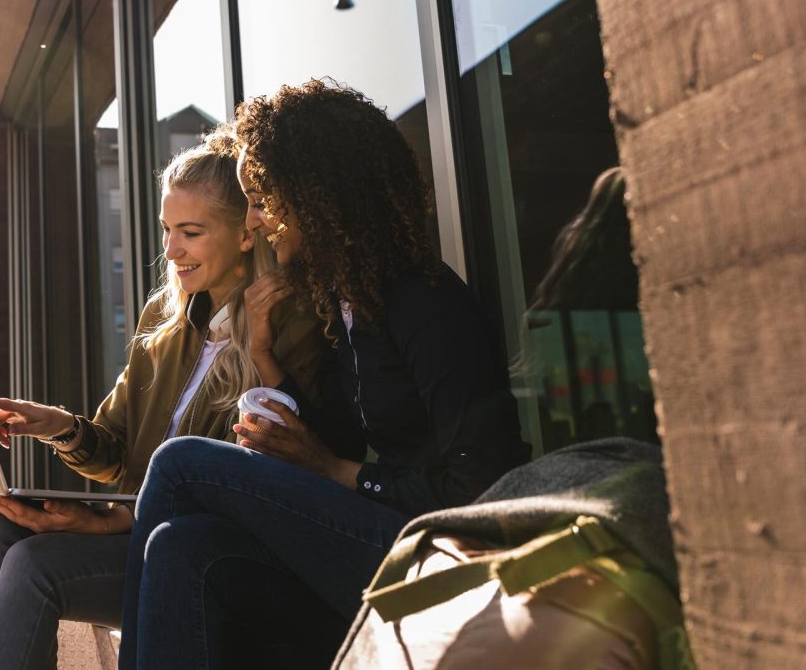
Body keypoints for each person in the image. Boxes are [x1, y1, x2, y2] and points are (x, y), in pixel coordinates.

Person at [118, 79, 531, 669]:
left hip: (439, 554)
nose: (256, 222)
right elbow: (330, 440)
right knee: (183, 547)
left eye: (263, 200)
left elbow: (481, 482)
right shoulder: (345, 303)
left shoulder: (424, 300)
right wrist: (265, 359)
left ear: (316, 195)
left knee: (179, 462)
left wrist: (340, 471)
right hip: (372, 537)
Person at [0, 127, 328, 669]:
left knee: (34, 564)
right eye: (167, 230)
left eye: (191, 232)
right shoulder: (166, 318)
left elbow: (249, 488)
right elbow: (116, 451)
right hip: (133, 530)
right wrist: (57, 425)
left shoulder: (291, 325)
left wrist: (106, 524)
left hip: (196, 551)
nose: (171, 250)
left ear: (246, 233)